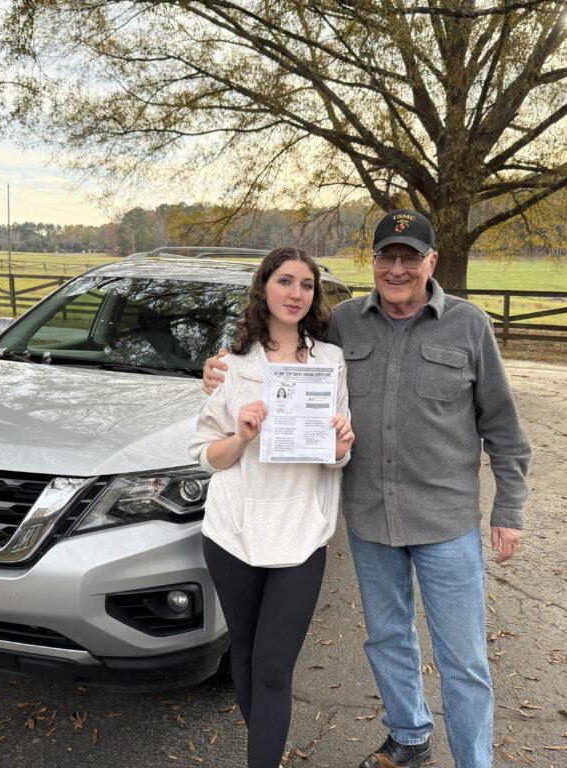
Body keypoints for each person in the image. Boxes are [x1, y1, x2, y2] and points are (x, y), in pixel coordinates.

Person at [202, 211, 531, 768]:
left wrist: (510, 507)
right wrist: (215, 370)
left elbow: (502, 423)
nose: (397, 268)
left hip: (445, 520)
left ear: (431, 262)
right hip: (371, 517)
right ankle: (408, 736)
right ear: (374, 263)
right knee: (387, 639)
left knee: (463, 659)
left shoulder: (469, 325)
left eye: (410, 257)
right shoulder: (344, 326)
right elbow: (279, 346)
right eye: (386, 256)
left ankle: (474, 761)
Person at [188, 247, 355, 768]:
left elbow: (338, 448)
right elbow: (206, 455)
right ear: (264, 289)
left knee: (275, 667)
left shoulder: (329, 363)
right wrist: (239, 436)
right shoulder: (232, 366)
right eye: (285, 281)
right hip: (233, 530)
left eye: (306, 285)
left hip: (301, 532)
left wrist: (340, 445)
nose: (296, 293)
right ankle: (267, 750)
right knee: (244, 652)